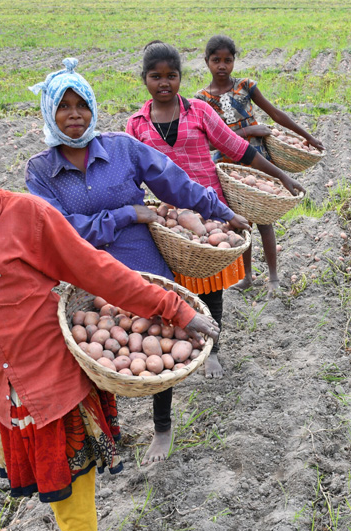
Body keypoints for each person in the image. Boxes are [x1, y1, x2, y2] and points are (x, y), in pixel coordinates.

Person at [0, 113, 218, 531]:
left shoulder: (28, 215)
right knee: (63, 508)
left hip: (57, 383)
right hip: (9, 393)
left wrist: (174, 308)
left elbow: (96, 270)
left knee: (74, 510)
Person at [24, 58, 249, 465]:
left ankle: (162, 428)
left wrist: (221, 210)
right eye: (64, 106)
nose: (74, 114)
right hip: (86, 276)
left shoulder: (122, 148)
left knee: (160, 341)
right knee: (94, 357)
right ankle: (106, 432)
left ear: (92, 108)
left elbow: (174, 182)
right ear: (49, 112)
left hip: (142, 266)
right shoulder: (41, 171)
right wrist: (128, 214)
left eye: (82, 105)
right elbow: (60, 232)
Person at [125, 41, 304, 372]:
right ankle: (181, 346)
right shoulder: (136, 125)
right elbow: (130, 177)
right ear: (145, 79)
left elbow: (239, 149)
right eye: (156, 76)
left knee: (212, 287)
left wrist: (282, 177)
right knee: (174, 288)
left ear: (180, 77)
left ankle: (213, 349)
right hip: (170, 219)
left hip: (211, 214)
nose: (164, 83)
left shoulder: (199, 111)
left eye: (172, 75)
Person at [194, 34, 323, 291]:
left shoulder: (246, 86)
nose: (222, 65)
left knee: (264, 220)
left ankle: (273, 277)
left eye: (227, 60)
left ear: (234, 61)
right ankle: (248, 276)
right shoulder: (201, 100)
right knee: (240, 223)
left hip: (257, 161)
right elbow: (206, 143)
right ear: (206, 61)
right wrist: (247, 132)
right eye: (216, 60)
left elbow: (275, 113)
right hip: (229, 168)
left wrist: (307, 137)